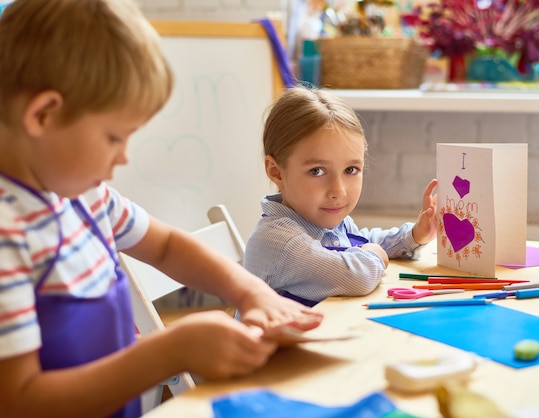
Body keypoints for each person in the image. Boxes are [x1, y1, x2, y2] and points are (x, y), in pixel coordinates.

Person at [0, 1, 323, 417]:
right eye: (115, 137)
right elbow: (19, 400)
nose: (123, 159)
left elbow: (168, 246)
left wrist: (253, 293)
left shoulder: (85, 197)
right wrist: (169, 352)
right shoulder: (8, 236)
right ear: (43, 115)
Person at [244, 86, 438, 307]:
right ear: (276, 171)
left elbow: (366, 242)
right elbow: (356, 276)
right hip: (282, 342)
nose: (339, 191)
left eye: (350, 170)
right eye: (317, 171)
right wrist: (376, 255)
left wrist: (414, 235)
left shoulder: (324, 221)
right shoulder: (278, 240)